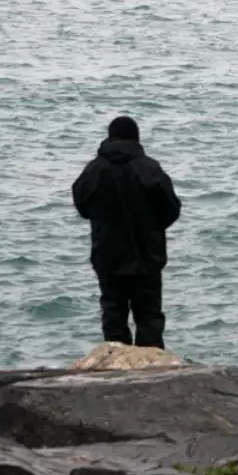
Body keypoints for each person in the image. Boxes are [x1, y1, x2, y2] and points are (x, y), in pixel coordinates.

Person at [72, 116, 182, 348]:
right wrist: (153, 228)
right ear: (137, 138)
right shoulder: (149, 168)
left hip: (108, 255)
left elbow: (82, 206)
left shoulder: (93, 170)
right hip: (147, 254)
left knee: (113, 313)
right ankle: (151, 369)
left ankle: (115, 368)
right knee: (149, 315)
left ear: (110, 136)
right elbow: (171, 209)